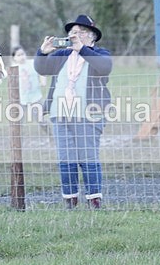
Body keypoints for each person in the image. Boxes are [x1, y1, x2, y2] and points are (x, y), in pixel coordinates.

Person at [34, 15, 112, 209]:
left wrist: (82, 50)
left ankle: (94, 199)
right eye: (71, 33)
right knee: (65, 157)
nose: (74, 36)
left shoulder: (99, 53)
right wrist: (42, 53)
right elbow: (42, 69)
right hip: (59, 113)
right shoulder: (63, 55)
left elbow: (105, 67)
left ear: (91, 36)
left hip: (88, 114)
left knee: (88, 156)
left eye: (79, 33)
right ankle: (70, 199)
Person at [11, 46, 48, 132]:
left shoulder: (32, 63)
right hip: (20, 99)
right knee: (18, 122)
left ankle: (50, 135)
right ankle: (18, 140)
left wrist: (43, 81)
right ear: (14, 58)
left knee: (41, 120)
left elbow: (42, 71)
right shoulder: (14, 68)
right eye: (18, 55)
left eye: (22, 54)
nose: (21, 57)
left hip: (35, 98)